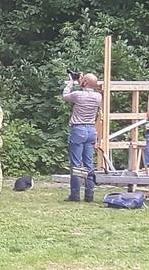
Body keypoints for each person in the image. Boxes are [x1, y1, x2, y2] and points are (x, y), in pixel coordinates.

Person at [63, 73, 102, 202]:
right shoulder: (98, 96)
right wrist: (83, 81)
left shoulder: (78, 95)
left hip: (78, 129)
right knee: (89, 163)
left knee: (76, 164)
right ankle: (89, 194)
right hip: (91, 129)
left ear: (85, 83)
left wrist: (70, 84)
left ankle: (75, 195)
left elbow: (65, 96)